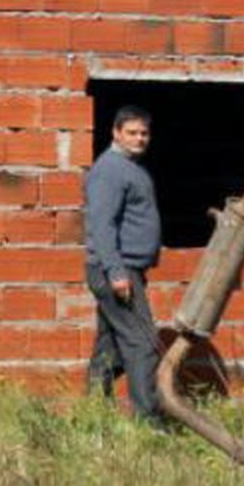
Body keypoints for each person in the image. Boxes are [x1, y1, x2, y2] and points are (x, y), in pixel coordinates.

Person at [83, 106, 162, 422]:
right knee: (143, 345)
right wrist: (117, 272)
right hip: (117, 269)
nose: (139, 138)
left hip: (125, 269)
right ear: (116, 133)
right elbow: (103, 225)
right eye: (132, 132)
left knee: (109, 347)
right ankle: (148, 423)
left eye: (144, 133)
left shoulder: (129, 167)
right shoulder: (110, 169)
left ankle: (93, 418)